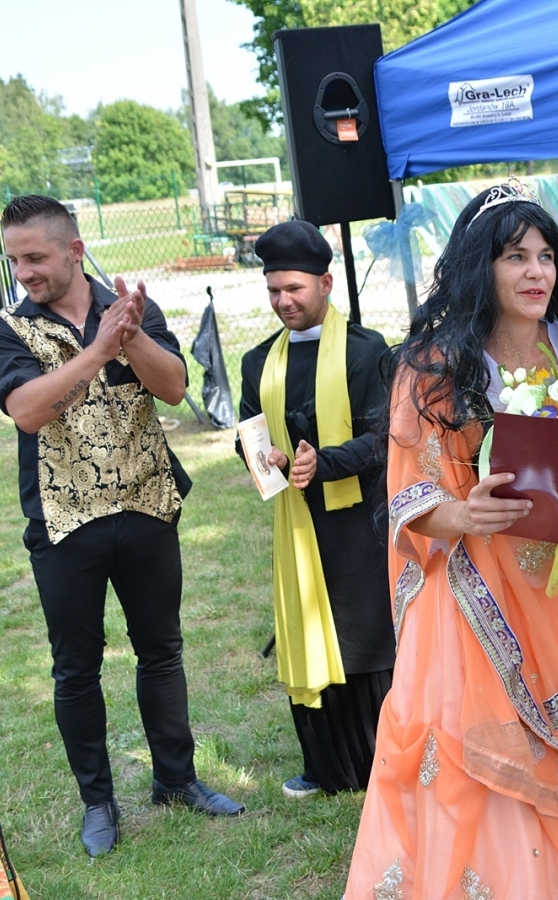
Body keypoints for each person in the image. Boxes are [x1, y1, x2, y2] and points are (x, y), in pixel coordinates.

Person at [343, 180, 558, 899]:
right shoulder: (434, 367)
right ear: (480, 267)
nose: (536, 273)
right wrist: (463, 515)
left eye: (546, 256)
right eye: (514, 257)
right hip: (474, 601)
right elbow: (412, 495)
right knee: (478, 759)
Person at [0, 195, 245, 859]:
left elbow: (175, 388)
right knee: (77, 670)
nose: (24, 272)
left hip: (146, 505)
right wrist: (97, 350)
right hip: (65, 522)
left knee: (162, 650)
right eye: (15, 260)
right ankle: (98, 803)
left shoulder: (130, 309)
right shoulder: (6, 330)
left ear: (74, 251)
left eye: (35, 257)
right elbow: (27, 411)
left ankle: (176, 780)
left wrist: (131, 336)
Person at [236, 219, 395, 799]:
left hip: (359, 522)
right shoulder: (259, 362)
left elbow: (385, 438)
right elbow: (248, 434)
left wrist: (323, 462)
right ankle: (325, 766)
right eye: (274, 290)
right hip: (298, 523)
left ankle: (383, 760)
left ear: (326, 284)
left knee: (364, 636)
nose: (284, 301)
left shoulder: (365, 351)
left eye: (294, 289)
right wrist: (268, 459)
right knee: (307, 630)